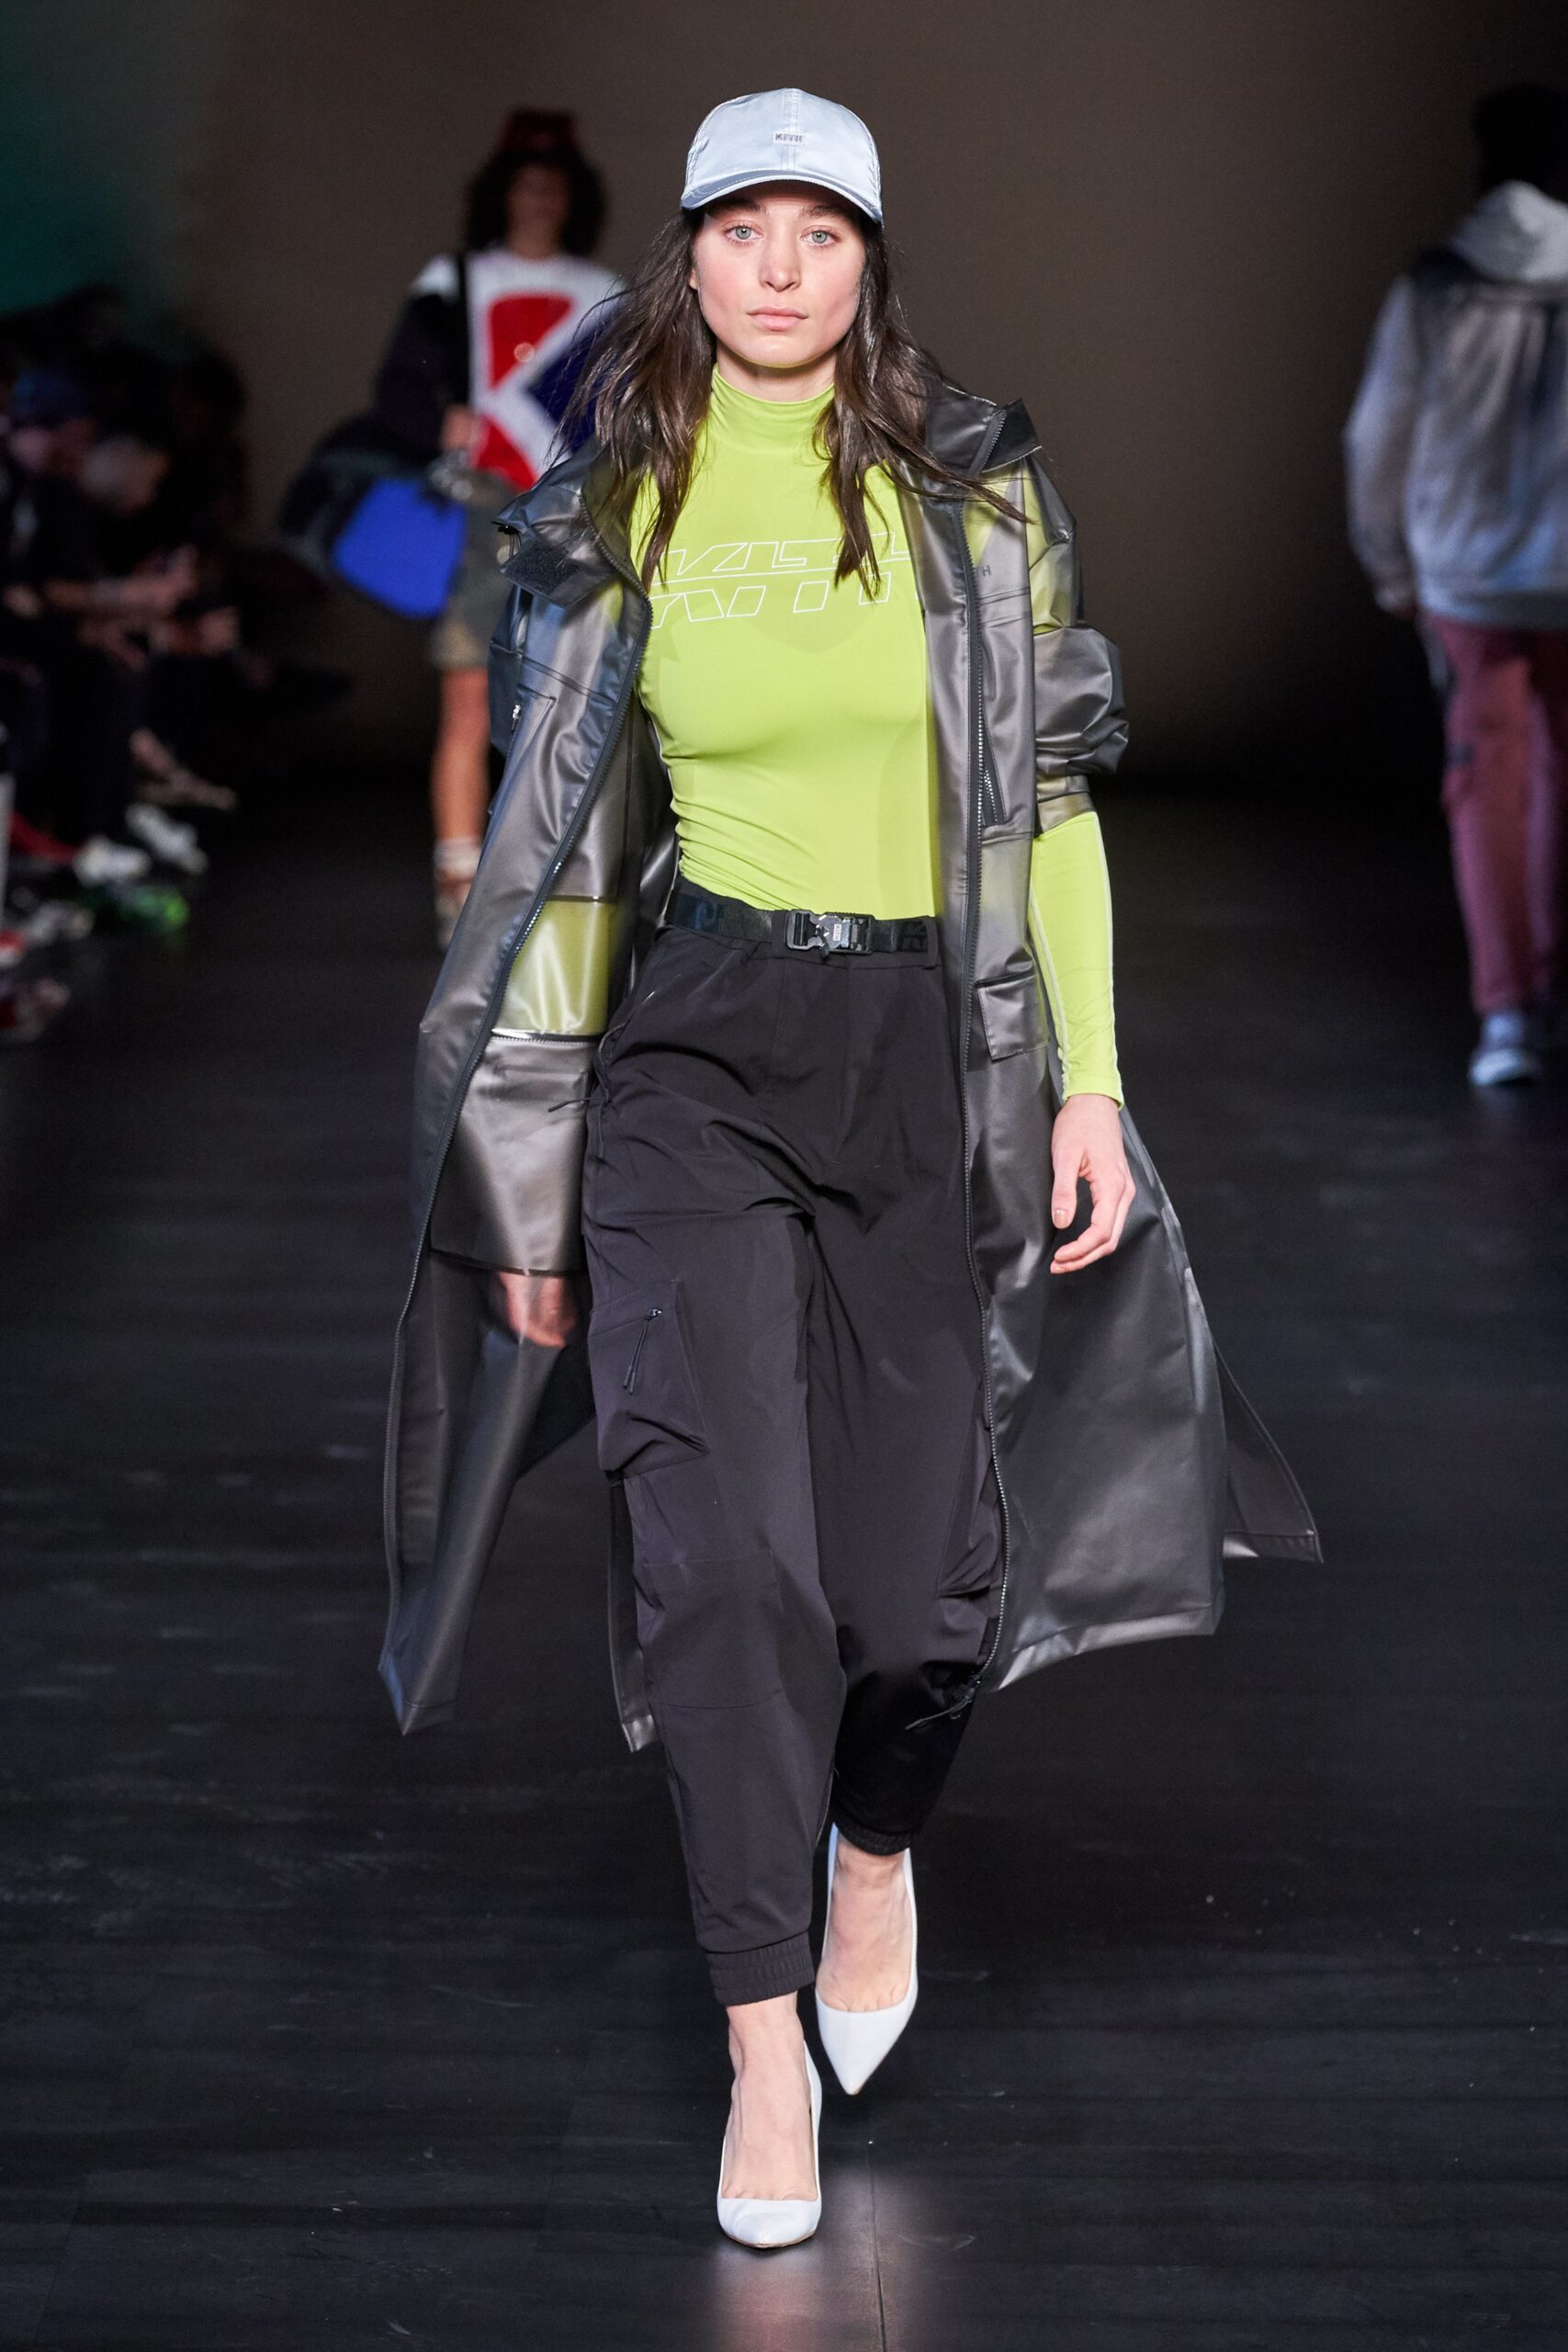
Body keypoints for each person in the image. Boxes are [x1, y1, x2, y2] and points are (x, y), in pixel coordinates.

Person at [381, 90, 1317, 2247]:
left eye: (822, 230)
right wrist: (525, 1175)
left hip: (930, 1054)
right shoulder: (607, 504)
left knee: (915, 1598)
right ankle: (757, 2037)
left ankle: (869, 1847)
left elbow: (1052, 801)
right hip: (694, 1052)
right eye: (745, 227)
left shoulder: (974, 484)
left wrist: (1089, 1083)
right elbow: (558, 868)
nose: (782, 267)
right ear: (688, 253)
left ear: (869, 260)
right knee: (722, 1563)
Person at [1346, 85, 1568, 1087]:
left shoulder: (1436, 288)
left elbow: (1378, 437)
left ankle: (1509, 1012)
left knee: (1489, 788)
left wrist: (1390, 564)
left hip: (1469, 577)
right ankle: (1546, 994)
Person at [373, 110, 618, 944]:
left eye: (553, 185)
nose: (539, 198)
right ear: (501, 193)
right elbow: (399, 387)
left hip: (563, 511)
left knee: (561, 689)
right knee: (470, 690)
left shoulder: (601, 291)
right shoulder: (455, 279)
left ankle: (544, 874)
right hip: (482, 512)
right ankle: (457, 873)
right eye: (525, 183)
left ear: (574, 198)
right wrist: (436, 421)